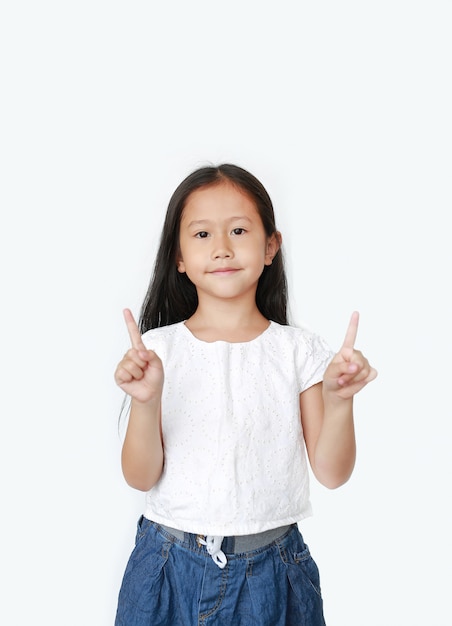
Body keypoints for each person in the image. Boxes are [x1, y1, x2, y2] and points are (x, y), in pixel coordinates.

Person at [113, 163, 377, 625]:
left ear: (271, 245)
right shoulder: (157, 352)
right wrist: (145, 400)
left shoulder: (298, 352)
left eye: (238, 230)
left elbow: (332, 474)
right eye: (201, 235)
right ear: (177, 256)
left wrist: (339, 403)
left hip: (273, 572)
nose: (221, 248)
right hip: (167, 567)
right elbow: (140, 476)